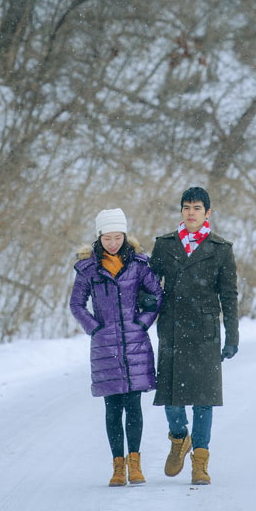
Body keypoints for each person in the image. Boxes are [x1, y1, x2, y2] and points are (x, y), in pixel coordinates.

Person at [150, 186, 238, 485]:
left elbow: (229, 296)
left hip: (205, 333)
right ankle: (179, 438)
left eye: (197, 208)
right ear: (181, 211)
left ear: (207, 212)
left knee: (203, 401)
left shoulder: (221, 248)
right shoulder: (164, 245)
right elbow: (149, 286)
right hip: (172, 329)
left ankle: (200, 462)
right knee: (172, 401)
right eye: (187, 207)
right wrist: (145, 310)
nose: (191, 212)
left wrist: (233, 335)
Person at [70, 207, 162, 487]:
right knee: (113, 408)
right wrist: (95, 328)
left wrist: (143, 323)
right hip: (105, 346)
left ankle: (135, 463)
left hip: (135, 342)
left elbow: (157, 294)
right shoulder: (88, 268)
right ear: (100, 237)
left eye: (118, 236)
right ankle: (117, 466)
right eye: (107, 238)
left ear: (125, 234)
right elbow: (76, 304)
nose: (113, 243)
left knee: (133, 405)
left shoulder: (139, 264)